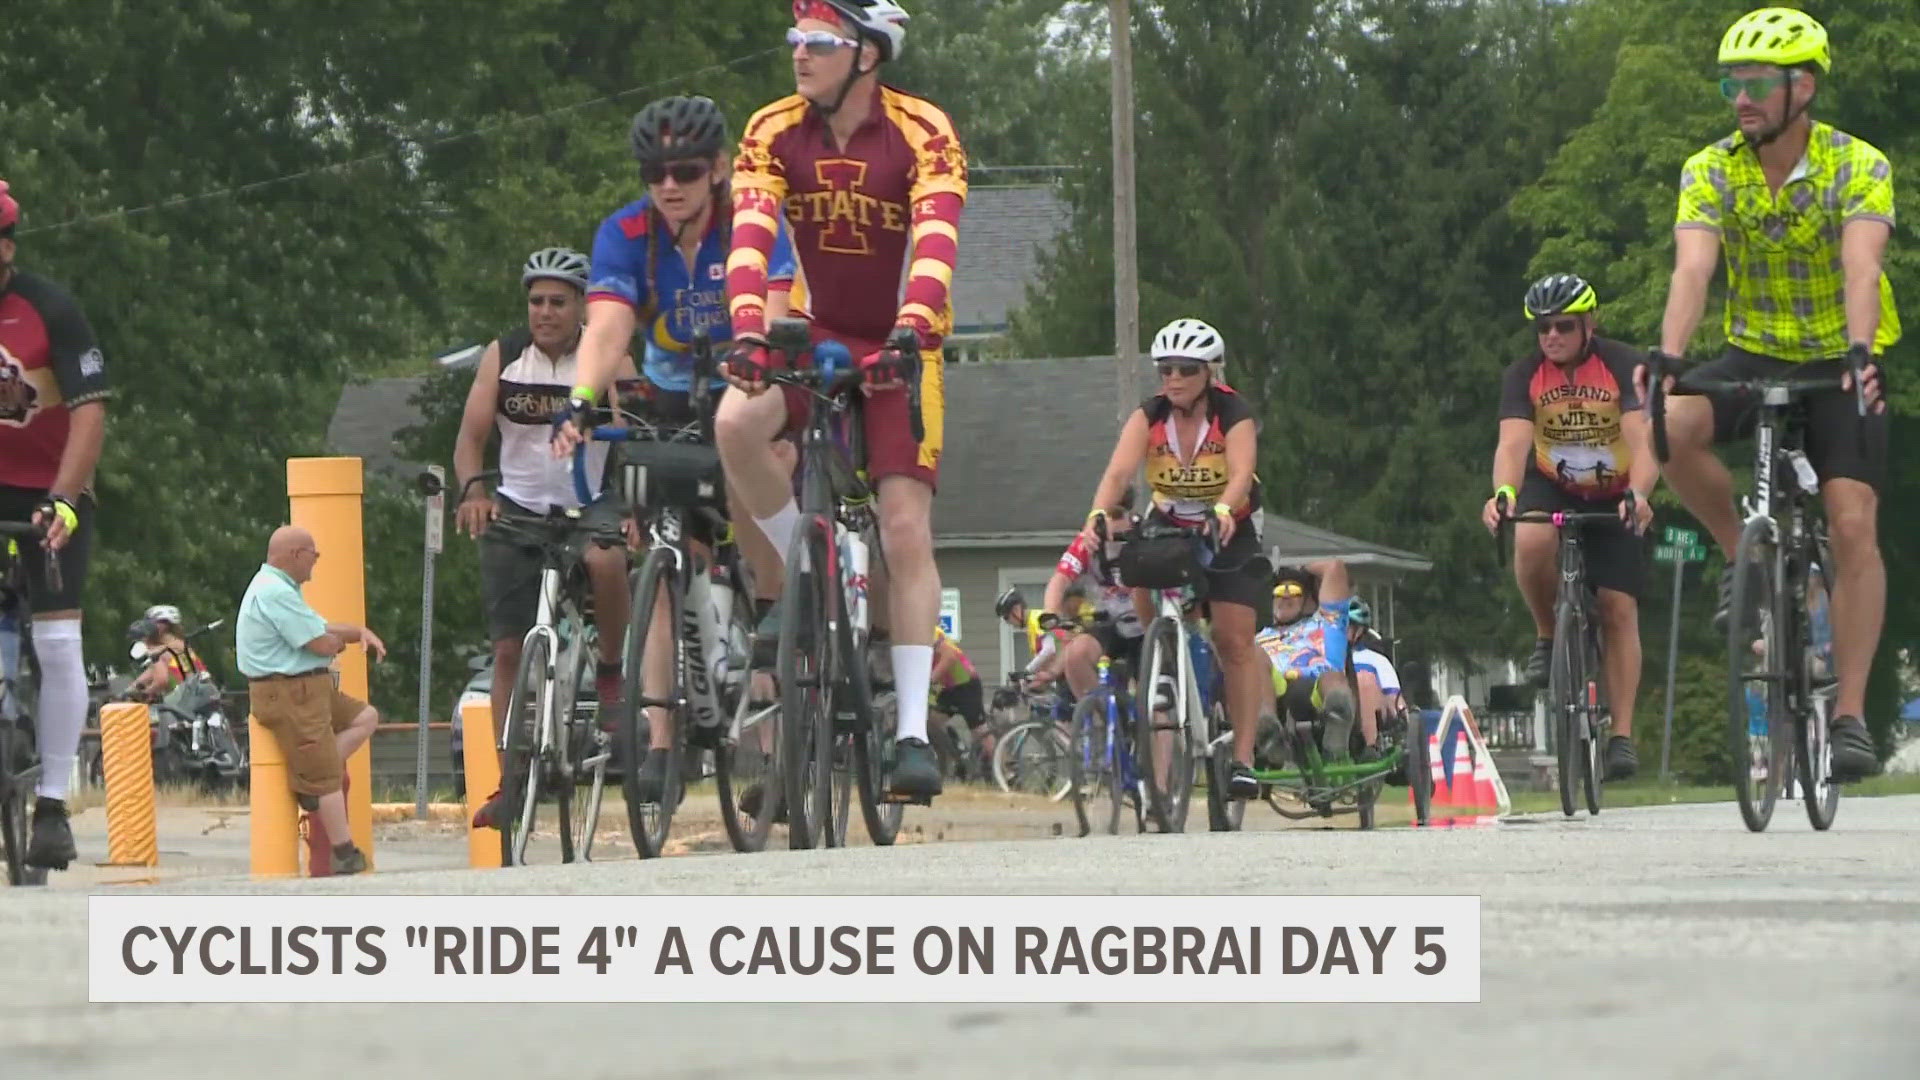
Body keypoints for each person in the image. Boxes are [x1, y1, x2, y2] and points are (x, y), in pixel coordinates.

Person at [709, 0, 969, 800]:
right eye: (795, 40)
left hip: (900, 341)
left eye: (818, 42)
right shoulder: (772, 129)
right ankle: (806, 567)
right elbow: (749, 238)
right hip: (814, 332)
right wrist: (749, 330)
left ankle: (915, 736)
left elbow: (936, 242)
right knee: (734, 424)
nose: (799, 55)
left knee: (902, 526)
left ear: (867, 55)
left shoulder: (924, 130)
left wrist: (913, 327)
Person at [1644, 8, 1889, 781]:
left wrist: (1858, 352)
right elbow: (1692, 270)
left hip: (1838, 358)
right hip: (1753, 352)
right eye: (1731, 83)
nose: (1740, 98)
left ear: (1802, 87)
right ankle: (1736, 557)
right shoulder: (1710, 167)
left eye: (1755, 84)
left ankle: (1848, 717)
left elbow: (1862, 268)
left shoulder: (1859, 163)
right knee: (1662, 425)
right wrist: (1669, 357)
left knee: (1852, 523)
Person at [550, 94, 801, 803]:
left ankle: (777, 624)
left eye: (685, 170)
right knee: (654, 560)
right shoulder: (627, 232)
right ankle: (660, 742)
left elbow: (778, 314)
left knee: (752, 467)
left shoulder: (752, 222)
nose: (668, 185)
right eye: (654, 171)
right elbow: (606, 328)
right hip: (666, 400)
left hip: (750, 385)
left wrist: (755, 369)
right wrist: (582, 399)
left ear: (719, 169)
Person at [455, 248, 636, 830]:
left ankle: (610, 672)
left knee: (608, 563)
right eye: (537, 301)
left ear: (581, 305)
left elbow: (638, 432)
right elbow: (471, 437)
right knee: (506, 652)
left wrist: (634, 505)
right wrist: (473, 493)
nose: (545, 312)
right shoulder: (503, 356)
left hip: (590, 504)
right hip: (518, 507)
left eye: (558, 301)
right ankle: (508, 782)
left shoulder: (606, 355)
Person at [1080, 317, 1270, 799]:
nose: (1174, 378)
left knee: (1234, 639)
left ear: (1210, 372)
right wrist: (1096, 517)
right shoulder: (1150, 416)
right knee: (1139, 570)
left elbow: (1242, 471)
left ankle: (1243, 761)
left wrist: (1225, 507)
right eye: (1165, 369)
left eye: (1186, 368)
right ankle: (1163, 656)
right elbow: (1118, 473)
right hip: (1169, 517)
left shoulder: (1233, 413)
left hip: (1231, 521)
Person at [1482, 273, 1654, 781]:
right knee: (1531, 536)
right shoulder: (1523, 374)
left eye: (1562, 326)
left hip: (1615, 484)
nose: (1551, 336)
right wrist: (1504, 493)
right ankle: (1546, 633)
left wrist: (1639, 494)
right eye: (1542, 329)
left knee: (1618, 609)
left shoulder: (1621, 365)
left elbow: (1642, 441)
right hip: (1551, 479)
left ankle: (1620, 736)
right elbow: (1512, 444)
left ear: (1588, 325)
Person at [0, 177, 111, 871]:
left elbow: (91, 410)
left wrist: (65, 500)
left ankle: (49, 806)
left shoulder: (50, 309)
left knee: (59, 640)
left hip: (50, 486)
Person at [235, 526, 384, 876]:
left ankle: (312, 774)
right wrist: (335, 643)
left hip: (307, 688)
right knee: (325, 774)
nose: (316, 563)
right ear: (295, 555)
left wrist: (359, 633)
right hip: (288, 692)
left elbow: (322, 629)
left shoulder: (281, 590)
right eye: (313, 555)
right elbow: (318, 642)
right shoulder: (274, 592)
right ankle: (343, 852)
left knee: (365, 717)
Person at [1255, 565, 1361, 760]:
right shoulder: (1259, 638)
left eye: (1294, 591)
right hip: (1275, 691)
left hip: (1317, 690)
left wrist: (1305, 567)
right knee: (1252, 654)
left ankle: (1337, 724)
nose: (1285, 596)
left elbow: (1335, 569)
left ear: (1305, 600)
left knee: (1333, 672)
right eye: (1279, 591)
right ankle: (1267, 731)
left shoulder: (1323, 624)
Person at [1346, 598, 1404, 738]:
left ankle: (1369, 747)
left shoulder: (1376, 660)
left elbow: (1394, 701)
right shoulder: (1319, 658)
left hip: (1370, 717)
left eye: (1344, 625)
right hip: (1331, 713)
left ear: (1359, 630)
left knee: (1364, 679)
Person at [127, 604, 209, 698]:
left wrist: (145, 694)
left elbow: (161, 680)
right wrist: (132, 688)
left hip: (184, 700)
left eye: (150, 622)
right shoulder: (181, 645)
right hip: (201, 695)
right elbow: (151, 671)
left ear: (164, 625)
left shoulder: (160, 651)